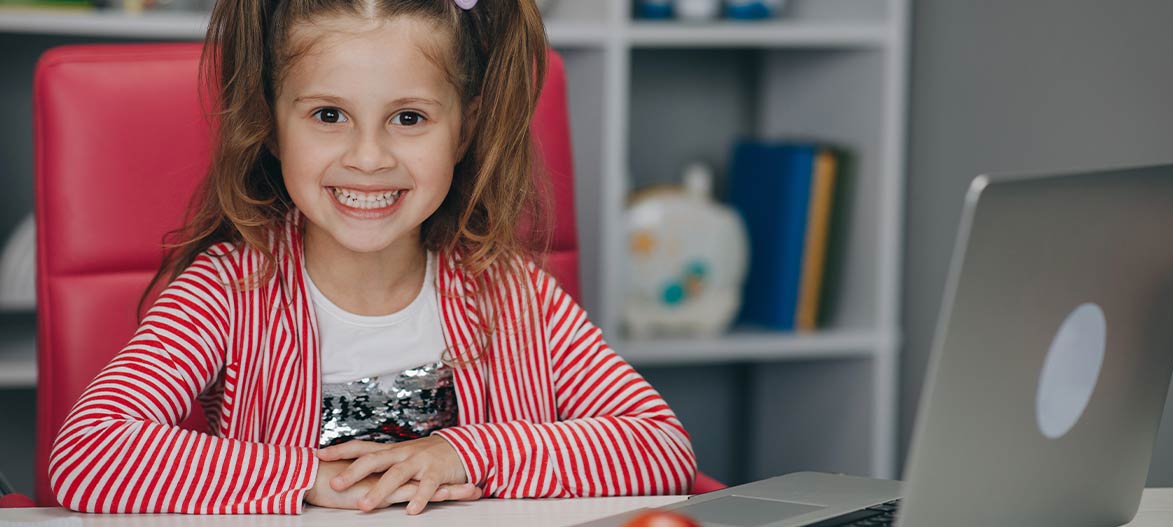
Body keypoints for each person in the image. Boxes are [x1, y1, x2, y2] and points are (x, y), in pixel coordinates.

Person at [48, 0, 696, 515]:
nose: (368, 158)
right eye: (329, 114)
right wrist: (302, 476)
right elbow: (86, 452)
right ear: (273, 124)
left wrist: (463, 452)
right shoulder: (225, 291)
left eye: (408, 118)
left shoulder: (511, 291)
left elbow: (662, 447)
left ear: (463, 129)